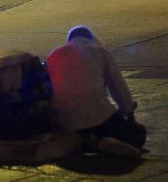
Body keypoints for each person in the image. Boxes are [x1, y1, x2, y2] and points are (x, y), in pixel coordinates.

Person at [46, 26, 147, 157]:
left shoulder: (54, 55)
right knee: (138, 137)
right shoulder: (100, 51)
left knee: (77, 132)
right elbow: (120, 90)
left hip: (65, 123)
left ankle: (85, 141)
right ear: (91, 38)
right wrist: (129, 118)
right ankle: (97, 141)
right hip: (99, 118)